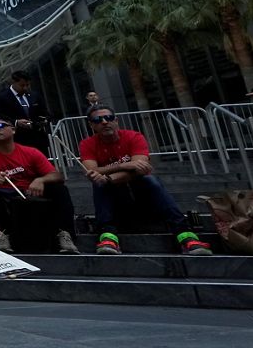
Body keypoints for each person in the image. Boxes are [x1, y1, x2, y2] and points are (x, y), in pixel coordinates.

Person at [78, 105, 213, 256]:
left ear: (116, 120)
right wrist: (125, 165)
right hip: (116, 203)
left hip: (142, 197)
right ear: (91, 125)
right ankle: (107, 236)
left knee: (150, 181)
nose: (104, 122)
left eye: (108, 118)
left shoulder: (134, 137)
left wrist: (109, 178)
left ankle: (185, 234)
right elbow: (91, 170)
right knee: (99, 184)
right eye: (98, 120)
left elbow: (141, 169)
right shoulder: (87, 144)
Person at [0, 115, 78, 254]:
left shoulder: (30, 152)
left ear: (13, 130)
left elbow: (57, 175)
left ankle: (64, 234)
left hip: (29, 193)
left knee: (59, 189)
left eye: (1, 126)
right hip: (1, 196)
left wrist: (40, 180)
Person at [0, 70, 52, 155]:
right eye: (22, 85)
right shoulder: (2, 97)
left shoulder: (34, 95)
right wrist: (16, 122)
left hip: (38, 140)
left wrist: (43, 121)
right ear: (13, 82)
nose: (25, 88)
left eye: (27, 85)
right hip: (18, 139)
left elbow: (45, 113)